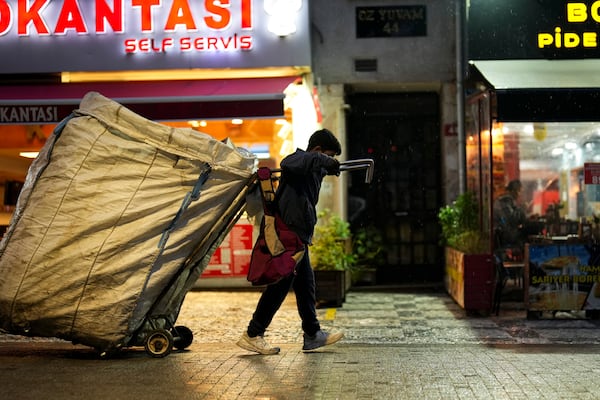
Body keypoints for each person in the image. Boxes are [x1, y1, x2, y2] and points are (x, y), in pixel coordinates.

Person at [237, 129, 345, 355]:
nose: (330, 162)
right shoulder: (299, 162)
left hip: (298, 237)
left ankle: (312, 334)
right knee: (279, 287)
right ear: (317, 151)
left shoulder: (312, 170)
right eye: (329, 155)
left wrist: (325, 164)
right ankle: (253, 333)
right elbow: (289, 162)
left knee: (306, 286)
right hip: (288, 235)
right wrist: (324, 161)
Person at [493, 180, 527, 258]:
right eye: (519, 191)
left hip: (505, 238)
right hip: (505, 240)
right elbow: (511, 219)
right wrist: (522, 209)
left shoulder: (508, 201)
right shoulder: (504, 201)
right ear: (513, 191)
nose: (520, 194)